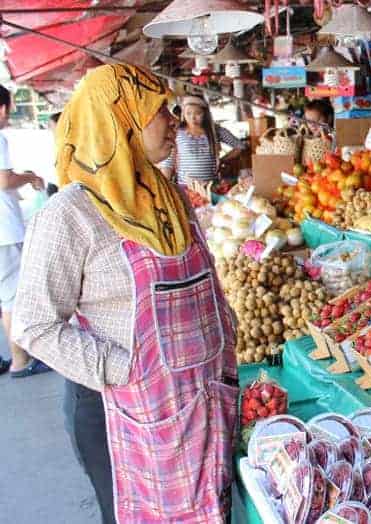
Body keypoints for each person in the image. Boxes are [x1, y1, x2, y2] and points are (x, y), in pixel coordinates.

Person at [13, 64, 237, 522]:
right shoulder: (70, 214)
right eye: (160, 111)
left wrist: (224, 330)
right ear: (122, 121)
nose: (173, 120)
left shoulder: (166, 195)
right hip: (124, 407)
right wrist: (124, 367)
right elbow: (34, 323)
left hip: (200, 401)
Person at [0, 85, 50, 377]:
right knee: (12, 296)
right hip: (4, 233)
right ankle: (21, 360)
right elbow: (4, 180)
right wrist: (30, 177)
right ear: (4, 108)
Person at [158, 95, 247, 185]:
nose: (193, 118)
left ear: (205, 113)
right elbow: (168, 161)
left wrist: (223, 160)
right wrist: (164, 183)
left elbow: (240, 146)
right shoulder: (178, 132)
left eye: (198, 113)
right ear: (183, 114)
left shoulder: (215, 131)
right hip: (186, 187)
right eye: (188, 113)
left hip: (210, 187)